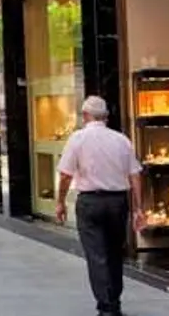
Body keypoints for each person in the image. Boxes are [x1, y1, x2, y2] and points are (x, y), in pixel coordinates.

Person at [56, 96, 145, 316]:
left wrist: (60, 202)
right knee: (114, 252)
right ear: (105, 116)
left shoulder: (77, 139)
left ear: (85, 115)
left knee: (97, 255)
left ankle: (108, 306)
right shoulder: (121, 139)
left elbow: (66, 175)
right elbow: (135, 176)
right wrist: (138, 208)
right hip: (117, 202)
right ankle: (114, 298)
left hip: (90, 202)